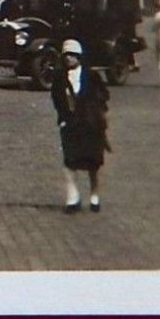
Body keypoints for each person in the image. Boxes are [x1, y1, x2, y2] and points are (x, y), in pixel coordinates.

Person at [52, 39, 111, 212]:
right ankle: (73, 198)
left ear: (79, 56)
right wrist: (62, 117)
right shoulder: (59, 78)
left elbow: (104, 96)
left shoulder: (91, 76)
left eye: (72, 55)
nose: (69, 58)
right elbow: (57, 99)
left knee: (93, 163)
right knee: (70, 161)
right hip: (70, 124)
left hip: (91, 124)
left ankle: (94, 196)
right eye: (66, 55)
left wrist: (96, 110)